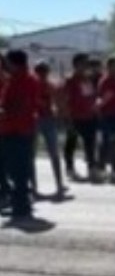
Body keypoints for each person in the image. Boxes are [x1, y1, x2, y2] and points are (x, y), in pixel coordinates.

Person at [1, 50, 40, 221]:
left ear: (14, 63)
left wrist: (3, 112)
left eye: (8, 62)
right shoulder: (19, 79)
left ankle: (21, 205)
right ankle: (21, 202)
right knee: (18, 169)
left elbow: (19, 106)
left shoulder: (23, 81)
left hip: (16, 129)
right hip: (18, 129)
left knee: (17, 170)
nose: (6, 66)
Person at [63, 53, 100, 182]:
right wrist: (68, 118)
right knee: (71, 143)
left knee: (90, 143)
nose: (86, 66)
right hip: (75, 117)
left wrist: (95, 106)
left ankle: (92, 169)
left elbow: (91, 96)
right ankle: (70, 168)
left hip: (89, 116)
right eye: (83, 63)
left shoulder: (88, 79)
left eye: (87, 63)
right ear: (76, 65)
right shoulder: (70, 80)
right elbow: (66, 101)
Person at [31, 62, 66, 198]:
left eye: (45, 73)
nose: (43, 76)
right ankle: (33, 186)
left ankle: (58, 184)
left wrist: (56, 109)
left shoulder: (49, 85)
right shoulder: (34, 84)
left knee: (54, 153)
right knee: (33, 154)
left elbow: (56, 100)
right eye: (41, 73)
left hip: (47, 119)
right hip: (37, 119)